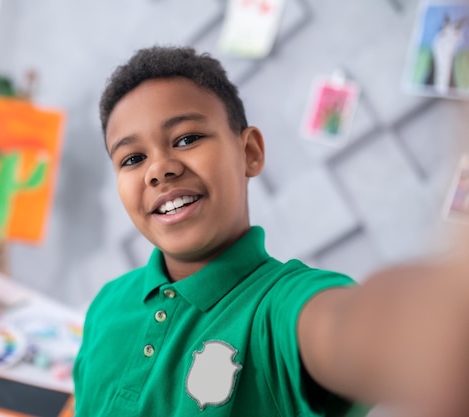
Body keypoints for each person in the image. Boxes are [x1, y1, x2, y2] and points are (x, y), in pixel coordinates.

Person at [72, 45, 469, 417]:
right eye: (133, 158)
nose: (159, 169)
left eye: (187, 138)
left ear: (250, 152)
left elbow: (354, 329)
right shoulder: (107, 303)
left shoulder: (278, 309)